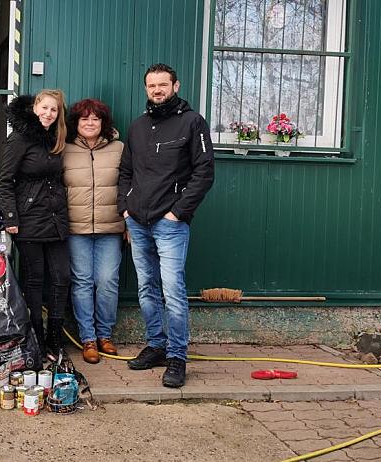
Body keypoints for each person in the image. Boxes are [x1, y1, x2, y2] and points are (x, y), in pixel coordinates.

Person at [117, 63, 215, 388]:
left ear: (175, 85)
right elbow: (125, 173)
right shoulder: (138, 127)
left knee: (172, 291)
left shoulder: (192, 123)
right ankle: (156, 346)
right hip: (139, 221)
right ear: (146, 89)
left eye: (162, 84)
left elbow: (204, 173)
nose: (157, 90)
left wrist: (178, 212)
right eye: (151, 85)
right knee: (146, 289)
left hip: (170, 223)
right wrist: (126, 209)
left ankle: (177, 357)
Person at [0, 89, 70, 357]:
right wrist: (11, 217)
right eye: (45, 108)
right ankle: (37, 338)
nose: (48, 114)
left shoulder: (57, 137)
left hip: (56, 219)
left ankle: (55, 336)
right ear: (35, 107)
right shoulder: (19, 138)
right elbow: (5, 181)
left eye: (54, 110)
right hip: (28, 220)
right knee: (36, 278)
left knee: (62, 276)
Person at [62, 98, 124, 364]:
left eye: (95, 118)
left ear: (103, 122)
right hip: (76, 229)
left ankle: (104, 335)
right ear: (75, 123)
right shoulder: (63, 150)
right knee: (82, 283)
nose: (89, 123)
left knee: (107, 281)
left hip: (111, 227)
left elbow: (130, 184)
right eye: (84, 118)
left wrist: (129, 222)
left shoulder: (119, 148)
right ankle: (88, 338)